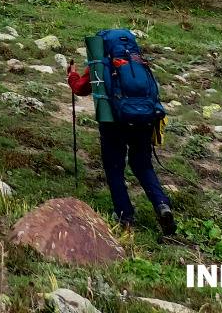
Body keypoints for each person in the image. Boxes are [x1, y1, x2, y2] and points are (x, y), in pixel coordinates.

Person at [68, 33, 176, 234]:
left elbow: (80, 88)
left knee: (114, 167)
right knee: (143, 165)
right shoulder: (139, 62)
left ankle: (125, 215)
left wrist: (72, 74)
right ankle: (162, 204)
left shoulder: (100, 64)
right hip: (144, 120)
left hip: (114, 122)